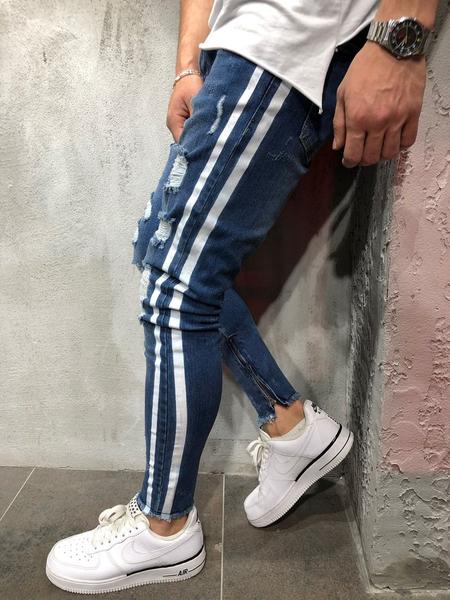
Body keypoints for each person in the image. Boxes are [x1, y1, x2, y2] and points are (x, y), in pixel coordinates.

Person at [46, 0, 438, 594]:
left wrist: (399, 41)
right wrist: (188, 64)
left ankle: (163, 528)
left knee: (178, 286)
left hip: (287, 41)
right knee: (163, 256)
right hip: (238, 51)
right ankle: (290, 426)